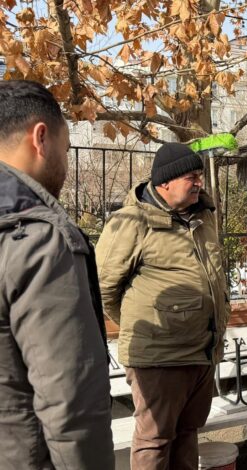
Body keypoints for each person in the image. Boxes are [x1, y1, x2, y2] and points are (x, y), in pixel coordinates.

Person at [0, 80, 114, 468]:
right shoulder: (39, 241)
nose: (65, 165)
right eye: (66, 150)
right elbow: (71, 402)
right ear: (41, 139)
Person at [96, 141, 230, 469]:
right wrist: (147, 322)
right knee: (154, 439)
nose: (199, 182)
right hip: (158, 357)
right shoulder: (131, 222)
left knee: (188, 432)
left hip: (202, 351)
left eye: (200, 175)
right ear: (165, 182)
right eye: (191, 177)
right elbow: (103, 287)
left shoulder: (204, 217)